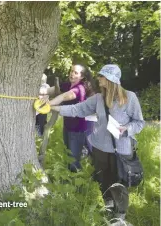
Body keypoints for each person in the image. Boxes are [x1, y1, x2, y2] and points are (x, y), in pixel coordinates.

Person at [49, 64, 145, 220]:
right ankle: (108, 209)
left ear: (109, 80)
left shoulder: (130, 98)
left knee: (119, 184)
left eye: (102, 76)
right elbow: (76, 109)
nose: (99, 78)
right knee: (103, 180)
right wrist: (52, 108)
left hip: (121, 150)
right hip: (100, 148)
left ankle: (119, 216)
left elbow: (139, 123)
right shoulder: (98, 99)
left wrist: (126, 129)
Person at [40, 64, 97, 172]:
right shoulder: (67, 85)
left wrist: (48, 104)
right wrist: (41, 93)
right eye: (71, 71)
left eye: (76, 72)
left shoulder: (79, 88)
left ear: (82, 77)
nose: (72, 74)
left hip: (78, 129)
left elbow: (64, 96)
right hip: (68, 126)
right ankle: (70, 178)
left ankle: (76, 180)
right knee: (68, 155)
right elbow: (49, 91)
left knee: (73, 160)